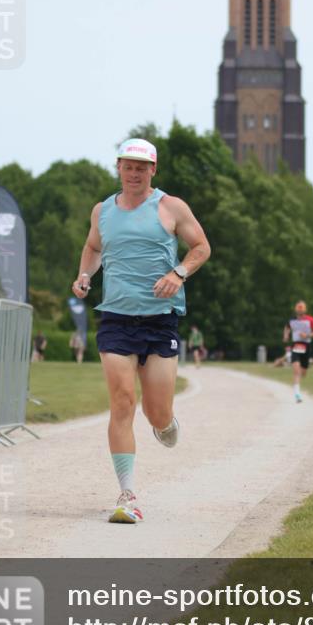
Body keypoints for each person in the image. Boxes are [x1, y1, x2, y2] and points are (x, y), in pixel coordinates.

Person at [71, 137, 211, 524]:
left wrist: (178, 273)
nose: (134, 173)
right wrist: (84, 276)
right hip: (115, 317)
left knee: (156, 413)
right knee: (121, 401)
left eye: (141, 167)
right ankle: (127, 496)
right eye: (127, 166)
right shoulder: (102, 210)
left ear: (153, 170)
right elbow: (93, 248)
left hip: (159, 319)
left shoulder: (170, 207)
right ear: (118, 168)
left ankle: (165, 421)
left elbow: (201, 247)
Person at [283, 301, 313, 403]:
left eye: (301, 308)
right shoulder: (291, 320)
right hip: (296, 346)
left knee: (303, 372)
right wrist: (286, 335)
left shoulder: (310, 320)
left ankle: (298, 385)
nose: (300, 310)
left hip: (306, 346)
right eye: (298, 308)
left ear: (305, 310)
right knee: (296, 371)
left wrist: (307, 336)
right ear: (296, 310)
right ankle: (297, 394)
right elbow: (287, 327)